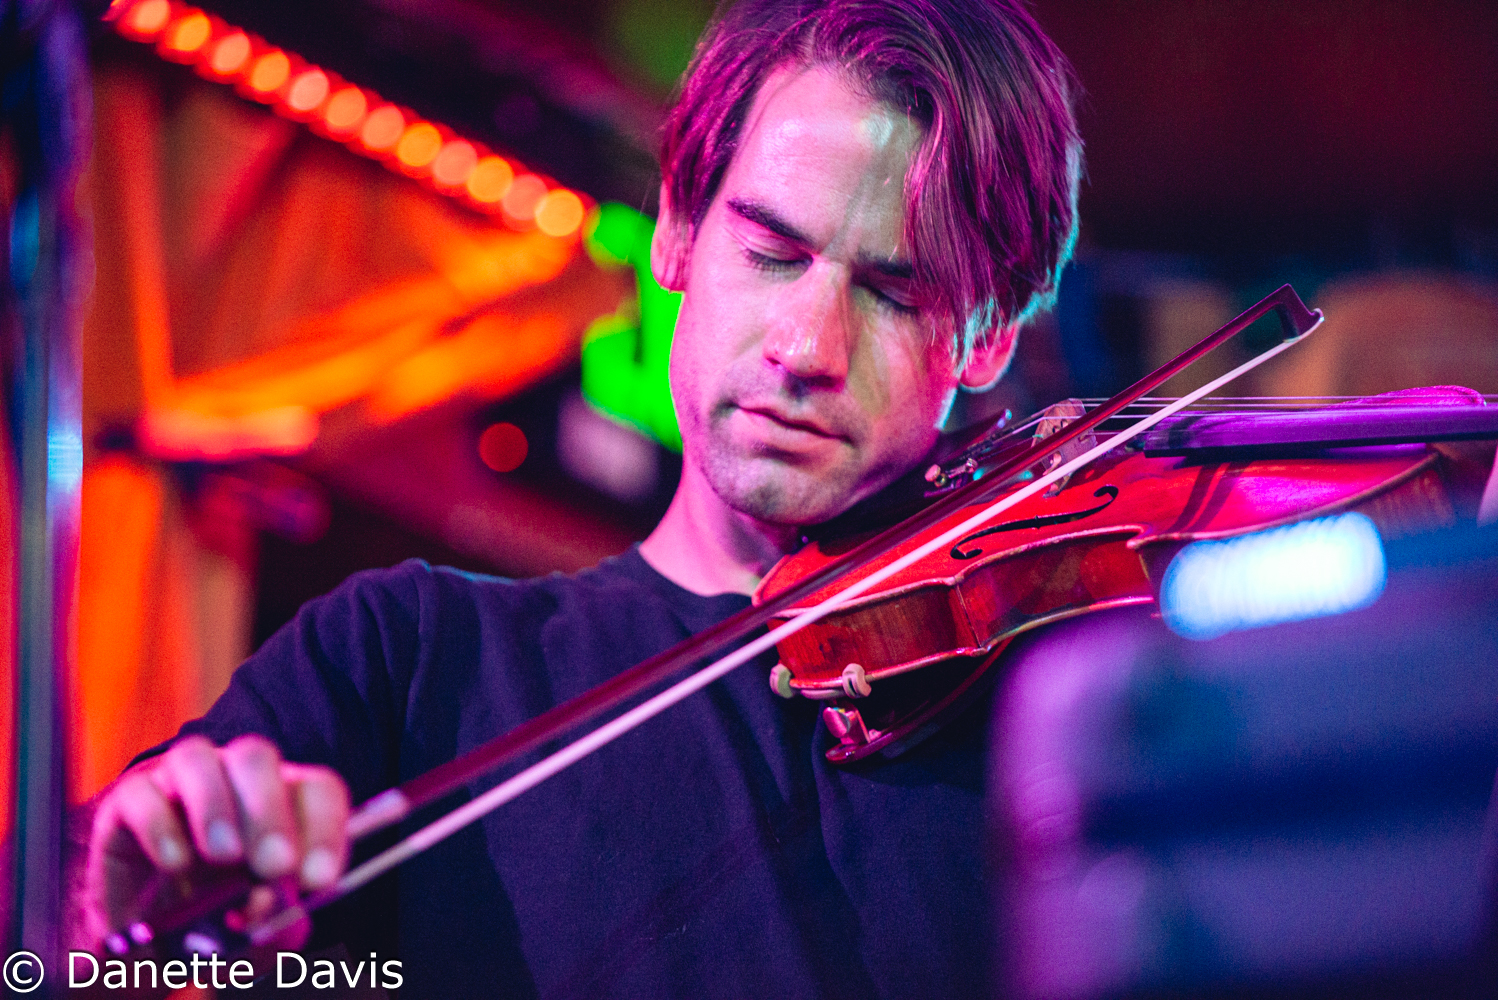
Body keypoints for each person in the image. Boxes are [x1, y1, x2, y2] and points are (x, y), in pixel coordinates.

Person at [76, 0, 1082, 995]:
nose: (807, 349)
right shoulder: (407, 656)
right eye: (772, 252)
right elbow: (111, 952)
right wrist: (117, 915)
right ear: (679, 234)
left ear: (985, 339)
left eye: (893, 295)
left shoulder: (1062, 727)